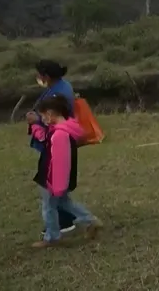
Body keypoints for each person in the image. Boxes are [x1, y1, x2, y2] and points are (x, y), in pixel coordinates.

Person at [30, 95, 102, 248]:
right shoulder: (65, 129)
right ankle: (89, 220)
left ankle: (52, 237)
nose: (42, 119)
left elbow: (59, 162)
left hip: (51, 179)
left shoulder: (59, 135)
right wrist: (35, 127)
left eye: (42, 116)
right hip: (57, 179)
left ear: (50, 114)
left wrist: (55, 185)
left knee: (49, 207)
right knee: (64, 202)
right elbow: (45, 137)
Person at [26, 60, 77, 237]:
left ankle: (62, 223)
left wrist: (36, 120)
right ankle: (69, 219)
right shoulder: (60, 86)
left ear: (46, 76)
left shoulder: (58, 93)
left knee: (52, 185)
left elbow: (56, 116)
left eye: (40, 74)